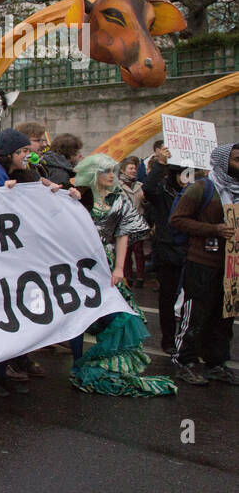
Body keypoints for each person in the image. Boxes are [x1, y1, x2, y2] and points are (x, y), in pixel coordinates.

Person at [0, 128, 78, 395]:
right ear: (8, 154)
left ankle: (4, 371)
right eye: (22, 151)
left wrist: (65, 194)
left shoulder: (25, 176)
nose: (28, 155)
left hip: (13, 262)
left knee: (9, 319)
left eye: (28, 151)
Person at [69, 154, 175, 396]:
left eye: (113, 171)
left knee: (118, 313)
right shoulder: (79, 197)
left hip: (104, 262)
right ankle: (76, 361)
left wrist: (118, 268)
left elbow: (123, 235)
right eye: (105, 171)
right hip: (79, 263)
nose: (110, 176)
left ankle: (107, 362)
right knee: (77, 314)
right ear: (93, 174)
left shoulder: (119, 199)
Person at [169, 143, 239, 386]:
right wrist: (214, 229)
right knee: (195, 315)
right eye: (237, 160)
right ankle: (184, 362)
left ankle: (216, 363)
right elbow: (177, 220)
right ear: (223, 162)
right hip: (202, 262)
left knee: (224, 317)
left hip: (231, 266)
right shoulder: (203, 188)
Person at [144, 160, 190, 352]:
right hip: (168, 252)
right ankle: (169, 340)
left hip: (191, 252)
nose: (187, 179)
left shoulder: (193, 193)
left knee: (192, 300)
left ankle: (188, 341)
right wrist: (159, 164)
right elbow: (148, 188)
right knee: (168, 298)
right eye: (183, 174)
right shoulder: (162, 193)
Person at [119, 157, 147, 287]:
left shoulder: (140, 186)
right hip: (123, 223)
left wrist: (145, 201)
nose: (133, 171)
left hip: (138, 222)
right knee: (126, 251)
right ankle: (128, 276)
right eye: (130, 168)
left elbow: (146, 205)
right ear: (123, 171)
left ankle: (140, 277)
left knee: (139, 251)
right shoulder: (117, 187)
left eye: (135, 168)